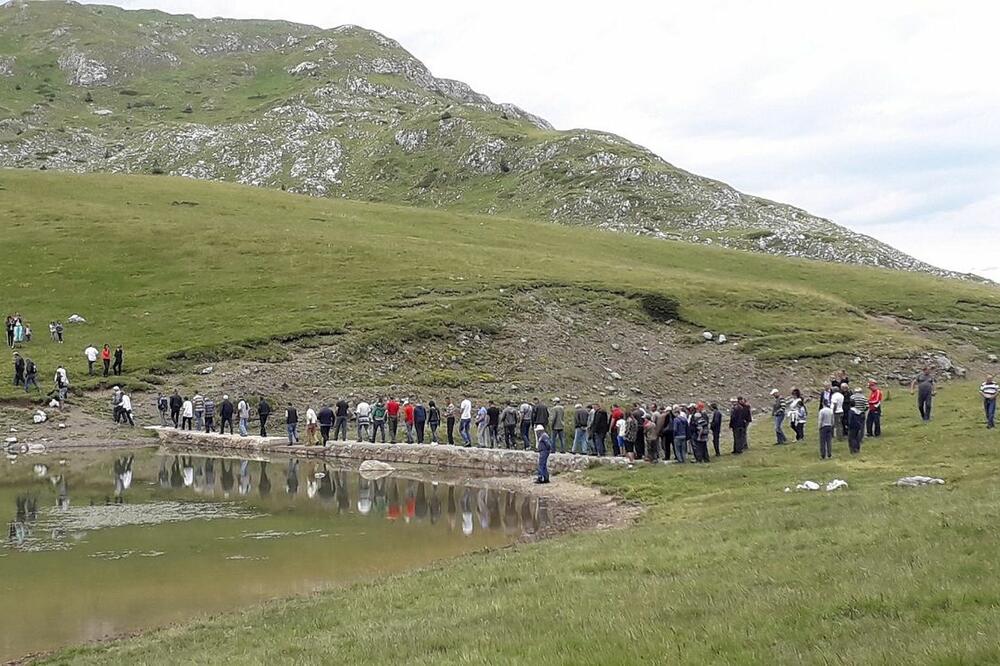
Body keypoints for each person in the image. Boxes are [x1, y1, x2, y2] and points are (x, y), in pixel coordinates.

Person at [848, 386, 867, 454]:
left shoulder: (852, 397)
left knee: (852, 436)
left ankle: (853, 449)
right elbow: (867, 406)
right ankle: (860, 439)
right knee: (861, 427)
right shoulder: (863, 397)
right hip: (861, 413)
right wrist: (863, 410)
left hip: (853, 416)